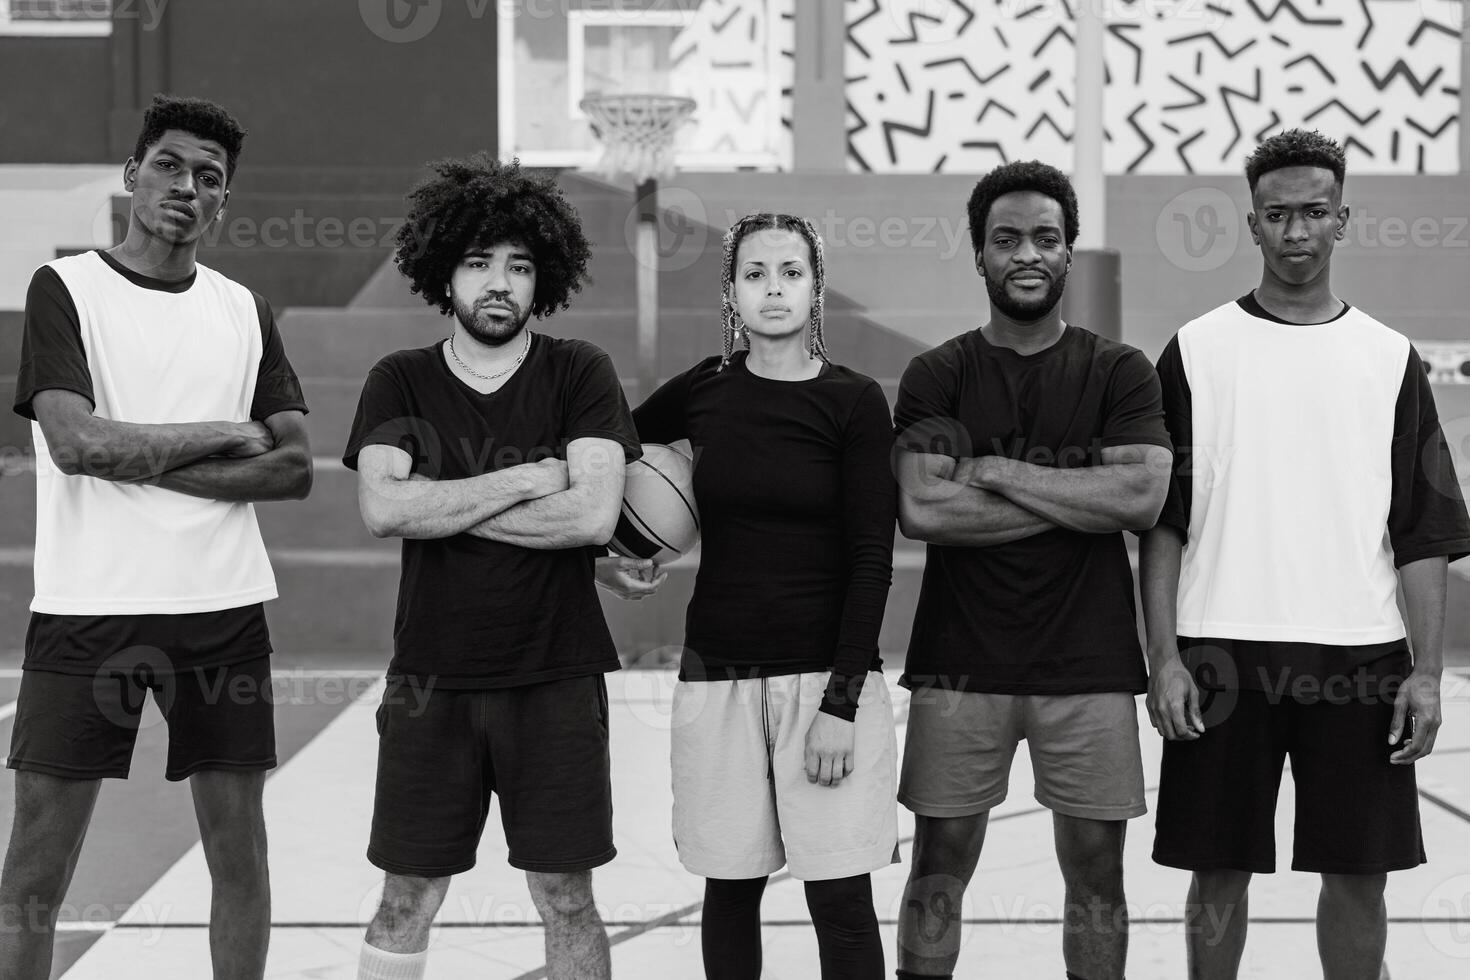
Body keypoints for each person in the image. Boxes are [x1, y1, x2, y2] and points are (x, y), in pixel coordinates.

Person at [1142, 129, 1470, 980]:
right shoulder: (1196, 349)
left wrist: (1426, 673)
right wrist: (1165, 659)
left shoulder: (1390, 359)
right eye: (1277, 215)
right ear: (1251, 225)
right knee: (1218, 878)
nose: (1296, 232)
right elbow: (1163, 523)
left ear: (1343, 220)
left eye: (1314, 213)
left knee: (1361, 881)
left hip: (1361, 658)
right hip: (1221, 653)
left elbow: (1424, 534)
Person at [0, 94, 312, 980]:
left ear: (224, 201)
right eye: (169, 166)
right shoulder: (64, 288)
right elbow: (76, 443)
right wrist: (220, 431)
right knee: (34, 870)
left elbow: (291, 468)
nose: (187, 186)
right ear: (133, 176)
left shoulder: (244, 309)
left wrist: (134, 454)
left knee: (239, 857)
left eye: (209, 178)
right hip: (87, 607)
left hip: (221, 610)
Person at [344, 155, 638, 980]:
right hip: (430, 682)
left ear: (542, 277)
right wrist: (528, 476)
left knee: (566, 896)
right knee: (407, 895)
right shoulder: (398, 378)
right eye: (478, 263)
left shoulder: (580, 370)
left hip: (555, 679)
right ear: (445, 273)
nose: (498, 282)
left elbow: (592, 515)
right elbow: (384, 510)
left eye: (517, 264)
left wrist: (448, 503)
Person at [597, 212, 899, 979]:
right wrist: (605, 553)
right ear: (731, 292)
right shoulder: (704, 391)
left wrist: (841, 703)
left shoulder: (855, 401)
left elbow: (873, 560)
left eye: (791, 272)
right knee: (729, 892)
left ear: (816, 287)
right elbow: (607, 452)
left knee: (840, 899)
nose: (773, 289)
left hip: (822, 680)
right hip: (717, 676)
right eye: (755, 274)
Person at [891, 161, 1173, 980]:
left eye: (1045, 238)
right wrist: (1082, 495)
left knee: (1095, 875)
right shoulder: (938, 373)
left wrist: (998, 471)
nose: (1027, 253)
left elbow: (1143, 497)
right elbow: (923, 510)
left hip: (1087, 665)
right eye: (1006, 238)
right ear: (977, 253)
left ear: (1068, 253)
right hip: (959, 665)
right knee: (939, 865)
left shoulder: (1119, 370)